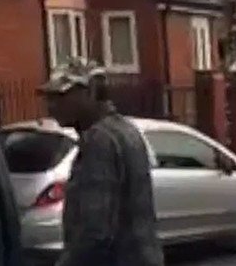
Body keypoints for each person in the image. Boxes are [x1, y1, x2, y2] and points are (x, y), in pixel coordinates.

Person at [38, 60, 164, 266]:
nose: (52, 106)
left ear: (90, 93)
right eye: (49, 98)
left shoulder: (99, 140)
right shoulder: (126, 130)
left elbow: (95, 230)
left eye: (61, 96)